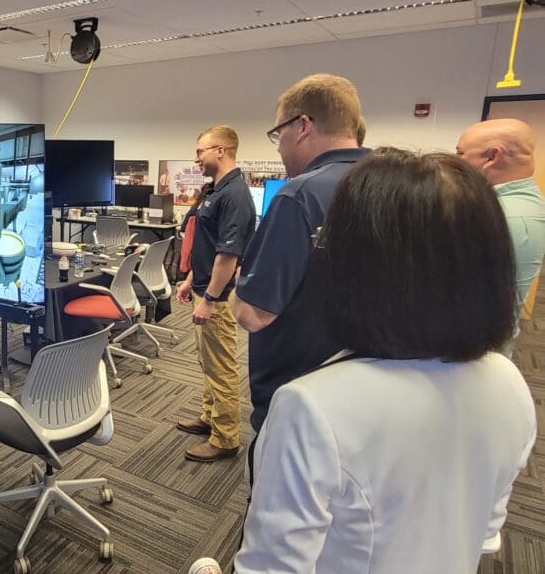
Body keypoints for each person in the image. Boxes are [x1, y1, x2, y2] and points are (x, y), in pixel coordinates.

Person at [234, 148, 535, 572]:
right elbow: (485, 535)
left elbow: (270, 568)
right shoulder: (509, 382)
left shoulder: (314, 406)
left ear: (356, 263)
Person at [231, 73, 369, 482]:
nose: (281, 147)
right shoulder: (402, 180)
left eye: (279, 134)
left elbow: (255, 313)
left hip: (301, 398)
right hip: (373, 395)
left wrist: (240, 284)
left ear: (303, 125)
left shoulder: (298, 195)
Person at [175, 125, 255, 462]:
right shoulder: (216, 190)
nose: (197, 158)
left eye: (201, 151)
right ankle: (210, 418)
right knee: (207, 361)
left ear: (220, 150)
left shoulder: (234, 194)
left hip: (218, 299)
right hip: (204, 288)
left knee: (222, 366)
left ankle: (225, 438)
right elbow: (207, 244)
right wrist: (190, 278)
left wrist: (209, 299)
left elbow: (228, 256)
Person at [456, 118, 545, 355]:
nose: (455, 162)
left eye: (460, 153)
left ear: (492, 157)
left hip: (471, 355)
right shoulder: (516, 202)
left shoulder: (505, 219)